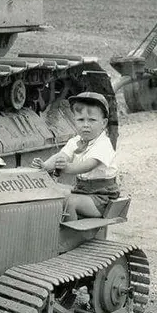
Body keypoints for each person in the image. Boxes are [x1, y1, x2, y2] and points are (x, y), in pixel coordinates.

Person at [31, 92, 119, 221]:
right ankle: (50, 226)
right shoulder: (76, 141)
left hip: (102, 198)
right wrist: (45, 166)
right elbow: (62, 155)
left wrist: (67, 167)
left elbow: (87, 166)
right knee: (51, 190)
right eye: (80, 120)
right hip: (83, 191)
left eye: (92, 120)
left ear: (104, 123)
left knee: (68, 201)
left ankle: (70, 235)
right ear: (74, 121)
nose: (86, 125)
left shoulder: (103, 144)